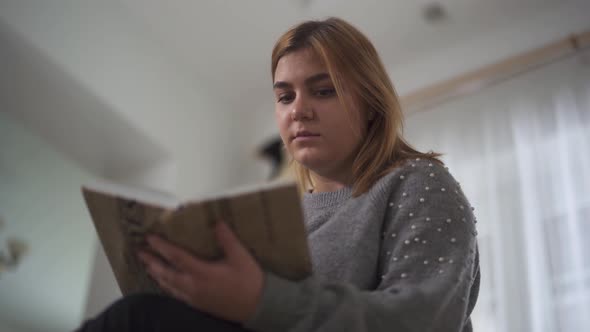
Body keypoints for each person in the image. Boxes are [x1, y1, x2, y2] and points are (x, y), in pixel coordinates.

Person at [76, 17, 480, 332]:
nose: (297, 110)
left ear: (372, 103)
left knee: (138, 319)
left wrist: (260, 300)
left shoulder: (418, 182)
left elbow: (424, 322)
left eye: (323, 91)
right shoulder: (282, 216)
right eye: (284, 96)